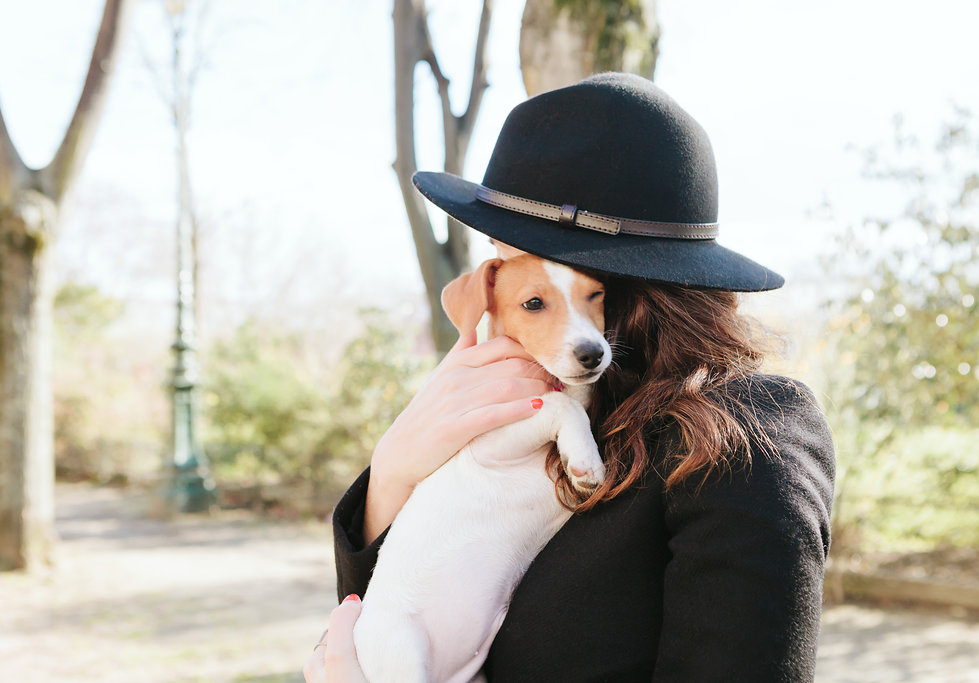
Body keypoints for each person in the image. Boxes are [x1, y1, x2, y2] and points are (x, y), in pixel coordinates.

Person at [304, 73, 835, 683]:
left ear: (612, 281)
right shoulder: (521, 397)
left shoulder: (747, 431)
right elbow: (392, 623)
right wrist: (394, 472)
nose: (501, 273)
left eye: (517, 250)